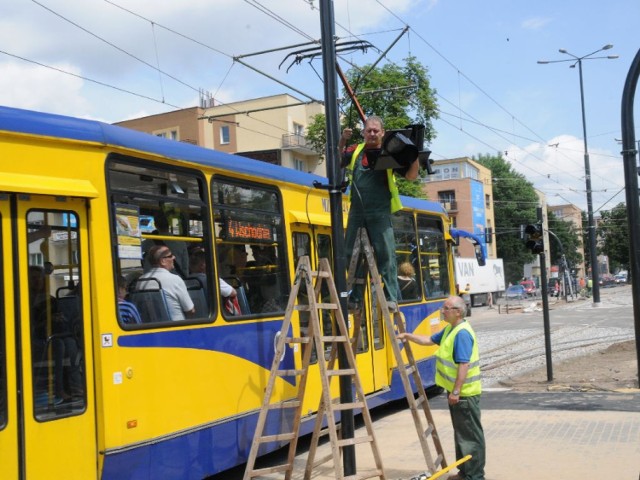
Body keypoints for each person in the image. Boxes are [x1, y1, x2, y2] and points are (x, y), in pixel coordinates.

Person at [397, 296, 485, 480]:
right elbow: (429, 340)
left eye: (446, 308)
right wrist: (408, 336)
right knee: (462, 435)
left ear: (458, 312)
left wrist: (456, 392)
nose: (442, 311)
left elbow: (463, 365)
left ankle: (475, 476)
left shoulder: (461, 333)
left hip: (465, 395)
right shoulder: (450, 330)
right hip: (459, 395)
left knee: (470, 437)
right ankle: (465, 472)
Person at [340, 116, 419, 312]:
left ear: (383, 133)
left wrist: (414, 156)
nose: (372, 133)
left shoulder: (390, 152)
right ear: (363, 132)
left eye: (376, 130)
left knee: (385, 254)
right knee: (352, 253)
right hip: (357, 210)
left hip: (380, 211)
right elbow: (337, 160)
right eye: (369, 130)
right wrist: (342, 140)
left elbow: (410, 176)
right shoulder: (356, 150)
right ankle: (354, 297)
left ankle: (391, 298)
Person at [138, 245, 195, 320]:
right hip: (177, 327)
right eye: (170, 256)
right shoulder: (175, 279)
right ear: (163, 261)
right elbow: (190, 310)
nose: (174, 257)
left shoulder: (141, 281)